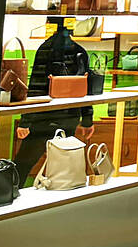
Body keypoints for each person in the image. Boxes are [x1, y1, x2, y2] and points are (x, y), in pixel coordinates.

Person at [13, 17, 95, 184]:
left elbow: (36, 86)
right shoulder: (80, 51)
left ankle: (11, 194)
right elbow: (86, 90)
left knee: (23, 163)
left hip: (43, 117)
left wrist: (25, 120)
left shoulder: (45, 49)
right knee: (64, 164)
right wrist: (87, 119)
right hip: (70, 116)